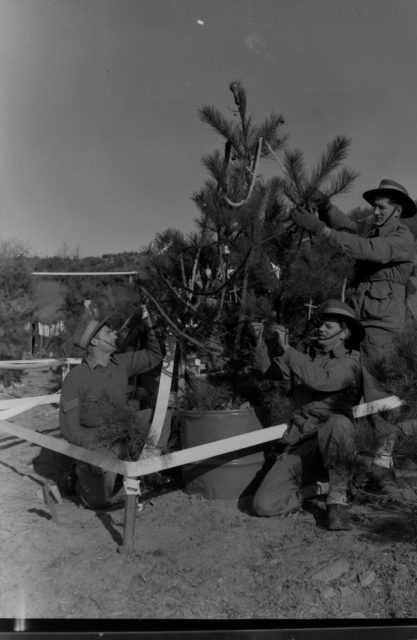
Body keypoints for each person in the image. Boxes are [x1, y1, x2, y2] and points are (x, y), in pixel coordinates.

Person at [290, 179, 416, 485]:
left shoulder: (402, 239)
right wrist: (326, 208)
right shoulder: (373, 231)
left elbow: (365, 248)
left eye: (381, 206)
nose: (374, 210)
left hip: (382, 330)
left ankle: (384, 469)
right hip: (361, 326)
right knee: (352, 396)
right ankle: (360, 465)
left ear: (396, 211)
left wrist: (320, 230)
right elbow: (350, 230)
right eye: (373, 205)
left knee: (377, 399)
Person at [251, 299, 364, 531]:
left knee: (338, 422)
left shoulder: (350, 362)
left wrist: (289, 350)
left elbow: (319, 380)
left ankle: (338, 499)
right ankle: (319, 488)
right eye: (320, 324)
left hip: (335, 445)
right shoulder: (306, 358)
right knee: (264, 504)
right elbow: (268, 371)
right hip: (303, 443)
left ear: (344, 334)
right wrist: (259, 340)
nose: (320, 328)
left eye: (328, 326)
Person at [59, 314, 163, 509]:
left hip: (124, 433)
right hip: (96, 442)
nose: (114, 333)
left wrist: (150, 325)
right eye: (108, 331)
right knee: (102, 501)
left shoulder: (121, 364)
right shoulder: (76, 378)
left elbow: (154, 356)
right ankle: (77, 475)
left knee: (160, 419)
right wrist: (94, 455)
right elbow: (69, 428)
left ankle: (139, 471)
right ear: (95, 341)